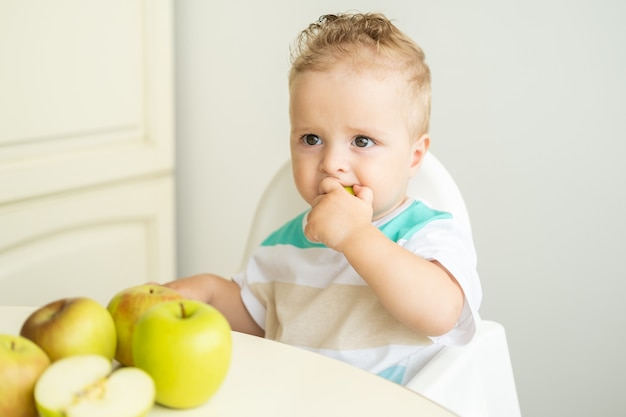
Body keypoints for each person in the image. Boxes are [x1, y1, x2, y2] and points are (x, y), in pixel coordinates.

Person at [165, 12, 482, 385]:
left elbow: (441, 312)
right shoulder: (284, 245)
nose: (332, 164)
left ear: (414, 156)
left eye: (362, 141)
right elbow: (255, 321)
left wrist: (355, 237)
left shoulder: (429, 235)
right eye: (311, 139)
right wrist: (206, 293)